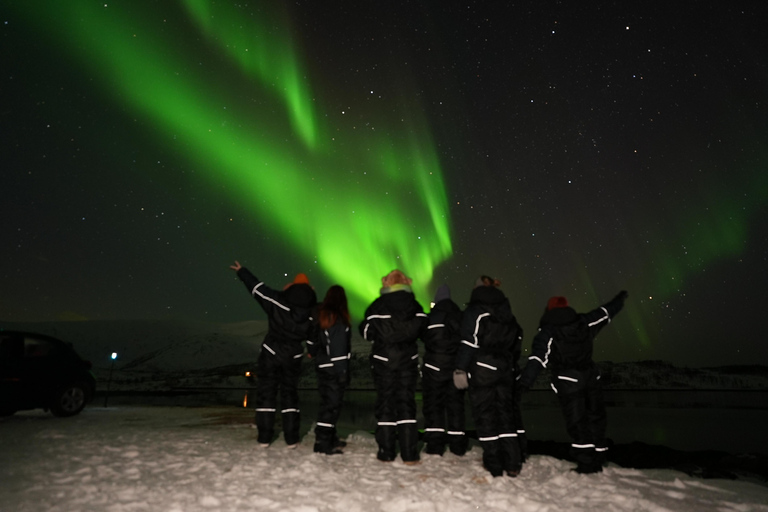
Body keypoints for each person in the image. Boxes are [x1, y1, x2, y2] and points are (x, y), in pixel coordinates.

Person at [519, 291, 628, 474]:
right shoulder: (584, 321)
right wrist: (620, 300)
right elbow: (606, 312)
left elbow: (538, 359)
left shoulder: (548, 331)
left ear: (549, 310)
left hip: (568, 381)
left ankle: (586, 463)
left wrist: (524, 383)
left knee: (577, 422)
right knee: (596, 418)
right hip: (591, 377)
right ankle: (599, 458)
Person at [230, 261, 317, 448]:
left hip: (271, 353)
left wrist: (242, 271)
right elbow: (313, 335)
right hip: (293, 356)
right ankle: (292, 439)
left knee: (266, 394)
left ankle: (264, 438)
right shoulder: (313, 311)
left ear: (292, 286)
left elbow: (258, 289)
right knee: (290, 395)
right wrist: (311, 350)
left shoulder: (278, 300)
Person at [454, 275, 524, 478]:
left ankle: (494, 464)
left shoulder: (475, 311)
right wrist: (509, 361)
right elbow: (517, 338)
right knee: (505, 415)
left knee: (486, 415)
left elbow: (469, 341)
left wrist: (460, 368)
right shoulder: (507, 313)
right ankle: (512, 463)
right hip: (505, 369)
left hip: (483, 368)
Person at [359, 269, 428, 464]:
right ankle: (409, 454)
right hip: (408, 362)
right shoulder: (415, 306)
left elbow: (365, 331)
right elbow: (423, 328)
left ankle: (386, 452)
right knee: (406, 405)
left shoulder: (377, 306)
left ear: (386, 284)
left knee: (386, 404)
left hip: (383, 362)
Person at [421, 284, 468, 456]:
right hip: (455, 368)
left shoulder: (431, 318)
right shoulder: (461, 316)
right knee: (456, 407)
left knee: (434, 407)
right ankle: (458, 446)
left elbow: (425, 338)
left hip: (434, 368)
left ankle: (435, 446)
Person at [307, 285, 351, 455]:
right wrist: (342, 373)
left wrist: (312, 353)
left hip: (322, 367)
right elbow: (339, 349)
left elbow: (312, 339)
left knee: (328, 403)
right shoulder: (338, 319)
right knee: (332, 406)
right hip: (334, 369)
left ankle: (330, 438)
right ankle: (322, 443)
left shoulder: (321, 316)